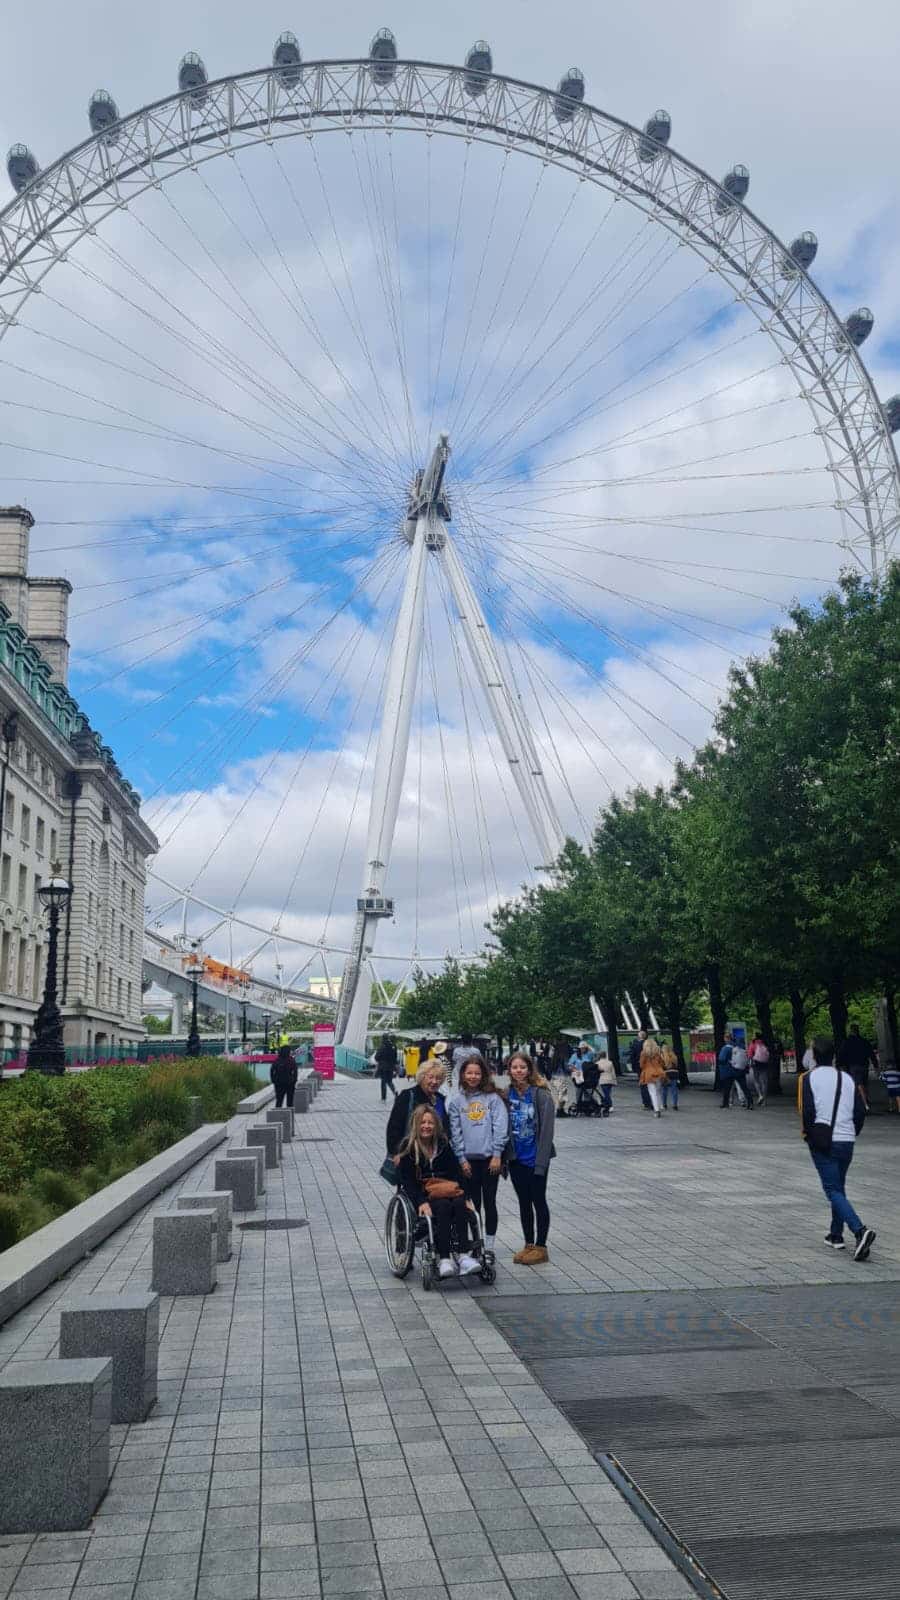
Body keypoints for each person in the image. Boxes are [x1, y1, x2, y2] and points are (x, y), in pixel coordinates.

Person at [800, 1035, 875, 1260]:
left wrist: (810, 1137)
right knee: (838, 1187)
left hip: (824, 1140)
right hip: (847, 1139)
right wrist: (852, 1131)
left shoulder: (808, 1078)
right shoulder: (847, 1078)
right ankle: (835, 1234)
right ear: (833, 1055)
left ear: (814, 1055)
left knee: (832, 1189)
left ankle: (859, 1230)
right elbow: (860, 1111)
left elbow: (808, 1112)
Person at [397, 1105, 480, 1278]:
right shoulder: (409, 1148)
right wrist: (421, 1202)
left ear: (436, 1125)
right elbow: (408, 1182)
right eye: (423, 1122)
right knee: (443, 1206)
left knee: (459, 1203)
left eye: (430, 1123)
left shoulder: (443, 1144)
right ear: (416, 1125)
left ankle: (463, 1256)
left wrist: (466, 1196)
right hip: (424, 1193)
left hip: (447, 1188)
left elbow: (457, 1172)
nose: (426, 1126)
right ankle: (444, 1259)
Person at [448, 1053, 508, 1256]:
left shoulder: (493, 1099)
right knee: (473, 1205)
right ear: (463, 1075)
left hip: (490, 1160)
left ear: (483, 1075)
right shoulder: (457, 1102)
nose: (473, 1077)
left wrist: (497, 1154)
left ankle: (489, 1246)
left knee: (490, 1202)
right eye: (469, 1073)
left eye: (477, 1073)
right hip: (468, 1162)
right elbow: (455, 1132)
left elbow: (500, 1127)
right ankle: (476, 1243)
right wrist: (461, 1159)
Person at [504, 1051, 555, 1264]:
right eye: (514, 1067)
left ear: (529, 1069)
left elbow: (547, 1131)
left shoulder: (541, 1094)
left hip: (535, 1158)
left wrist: (541, 1163)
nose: (518, 1071)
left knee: (538, 1200)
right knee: (524, 1202)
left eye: (522, 1067)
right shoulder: (506, 1094)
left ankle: (541, 1246)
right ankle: (529, 1244)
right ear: (509, 1070)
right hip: (516, 1159)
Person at [386, 1059, 450, 1158]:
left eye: (438, 1078)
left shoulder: (440, 1099)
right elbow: (393, 1128)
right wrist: (396, 1153)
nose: (434, 1081)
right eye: (430, 1077)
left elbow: (445, 1128)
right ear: (422, 1077)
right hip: (410, 1154)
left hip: (435, 1155)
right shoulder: (407, 1096)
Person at [837, 1024, 877, 1103]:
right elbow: (871, 1053)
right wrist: (875, 1064)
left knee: (857, 1083)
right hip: (864, 1064)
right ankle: (865, 1098)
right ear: (858, 1030)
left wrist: (839, 1064)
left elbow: (841, 1054)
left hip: (852, 1065)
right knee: (864, 1083)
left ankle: (861, 1101)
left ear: (851, 1030)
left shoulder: (847, 1042)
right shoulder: (864, 1041)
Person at [639, 1038, 667, 1116]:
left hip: (649, 1074)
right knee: (658, 1092)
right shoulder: (657, 1052)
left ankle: (657, 1110)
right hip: (659, 1073)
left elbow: (641, 1065)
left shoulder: (644, 1053)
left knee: (652, 1092)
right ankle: (659, 1107)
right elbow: (662, 1063)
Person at [374, 1032, 399, 1102]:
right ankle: (395, 1091)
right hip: (391, 1067)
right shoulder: (393, 1046)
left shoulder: (382, 1046)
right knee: (390, 1081)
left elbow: (376, 1057)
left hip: (383, 1067)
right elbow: (395, 1057)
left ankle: (383, 1097)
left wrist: (380, 1060)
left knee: (383, 1082)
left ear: (382, 1038)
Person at [270, 1044, 297, 1109]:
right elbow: (295, 1071)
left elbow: (272, 1071)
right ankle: (290, 1114)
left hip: (279, 1083)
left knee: (279, 1101)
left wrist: (273, 1080)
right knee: (290, 1101)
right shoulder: (291, 1060)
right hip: (290, 1083)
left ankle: (277, 1113)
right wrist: (294, 1080)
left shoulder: (277, 1060)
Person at [748, 1035, 770, 1105]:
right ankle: (764, 1101)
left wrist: (750, 1063)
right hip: (764, 1064)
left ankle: (760, 1095)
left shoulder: (753, 1044)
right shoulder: (765, 1044)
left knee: (756, 1080)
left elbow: (750, 1055)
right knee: (764, 1082)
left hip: (756, 1064)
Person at [660, 1043, 679, 1110]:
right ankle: (675, 1105)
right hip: (674, 1074)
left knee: (664, 1090)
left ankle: (664, 1104)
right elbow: (676, 1066)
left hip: (665, 1074)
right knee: (674, 1090)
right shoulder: (674, 1056)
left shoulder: (662, 1056)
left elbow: (661, 1067)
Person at [596, 1051, 616, 1115]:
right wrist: (614, 1081)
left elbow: (596, 1073)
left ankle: (610, 1105)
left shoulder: (597, 1063)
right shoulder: (610, 1062)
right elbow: (613, 1072)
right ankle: (606, 1104)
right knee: (608, 1093)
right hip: (610, 1080)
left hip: (602, 1080)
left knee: (606, 1094)